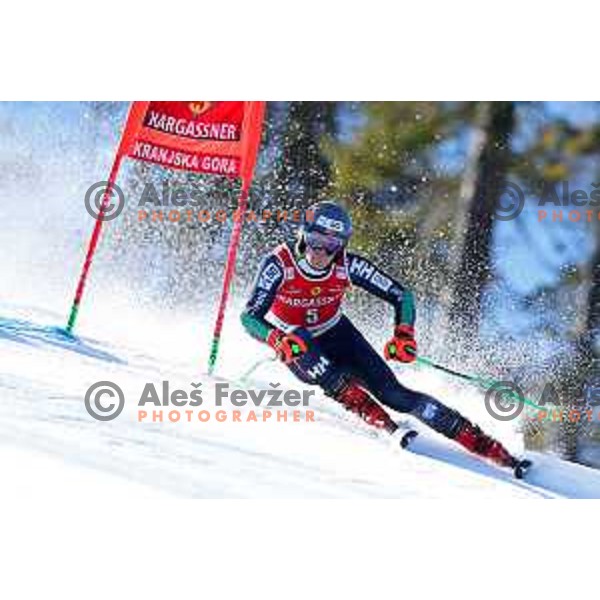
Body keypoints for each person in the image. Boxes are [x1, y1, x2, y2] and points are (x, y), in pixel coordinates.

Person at [240, 201, 521, 470]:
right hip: (297, 342)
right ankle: (383, 423)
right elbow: (249, 316)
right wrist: (275, 337)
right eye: (315, 240)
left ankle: (487, 447)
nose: (321, 252)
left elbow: (402, 296)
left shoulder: (348, 265)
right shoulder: (279, 263)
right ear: (302, 234)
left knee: (395, 394)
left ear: (342, 245)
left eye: (332, 245)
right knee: (306, 346)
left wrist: (403, 334)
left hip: (337, 333)